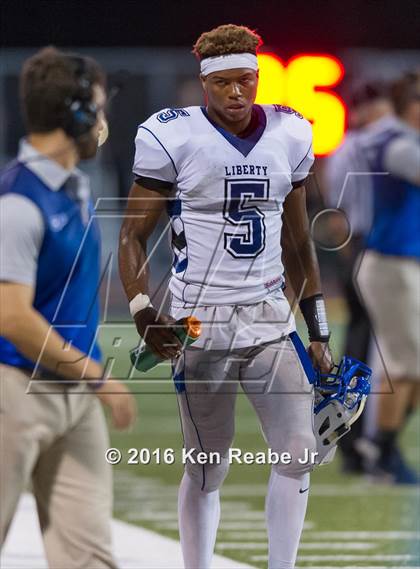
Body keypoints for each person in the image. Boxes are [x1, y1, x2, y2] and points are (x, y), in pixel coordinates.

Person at [119, 24, 333, 569]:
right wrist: (143, 308)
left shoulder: (291, 133)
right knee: (207, 465)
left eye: (246, 81)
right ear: (204, 84)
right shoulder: (174, 136)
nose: (237, 93)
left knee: (298, 452)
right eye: (224, 84)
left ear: (258, 77)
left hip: (268, 316)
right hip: (200, 319)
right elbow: (131, 234)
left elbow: (298, 240)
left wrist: (320, 328)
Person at [0, 47, 137, 567]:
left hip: (72, 396)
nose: (102, 122)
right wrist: (96, 374)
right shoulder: (18, 201)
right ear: (76, 114)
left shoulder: (72, 187)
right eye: (97, 108)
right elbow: (11, 316)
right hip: (13, 390)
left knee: (88, 557)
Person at [324, 83, 394, 473]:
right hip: (370, 248)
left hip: (372, 247)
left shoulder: (359, 146)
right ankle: (360, 439)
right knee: (369, 345)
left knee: (368, 343)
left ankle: (360, 440)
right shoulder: (357, 145)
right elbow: (337, 214)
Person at [356, 72, 420, 484]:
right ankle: (380, 449)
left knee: (408, 363)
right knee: (400, 365)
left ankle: (382, 444)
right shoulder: (398, 145)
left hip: (402, 263)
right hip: (391, 264)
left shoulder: (399, 140)